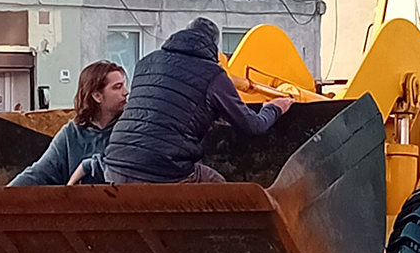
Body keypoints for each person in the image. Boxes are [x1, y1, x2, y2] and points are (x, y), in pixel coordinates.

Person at [69, 17, 293, 185]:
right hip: (164, 171)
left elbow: (155, 114)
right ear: (214, 47)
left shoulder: (146, 63)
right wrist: (274, 108)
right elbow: (252, 126)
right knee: (221, 189)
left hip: (115, 164)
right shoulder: (213, 74)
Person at [7, 61, 128, 186]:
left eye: (124, 85)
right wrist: (3, 196)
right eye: (117, 87)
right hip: (81, 204)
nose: (126, 92)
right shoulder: (71, 133)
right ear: (97, 96)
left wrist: (88, 167)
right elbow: (40, 173)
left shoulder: (130, 129)